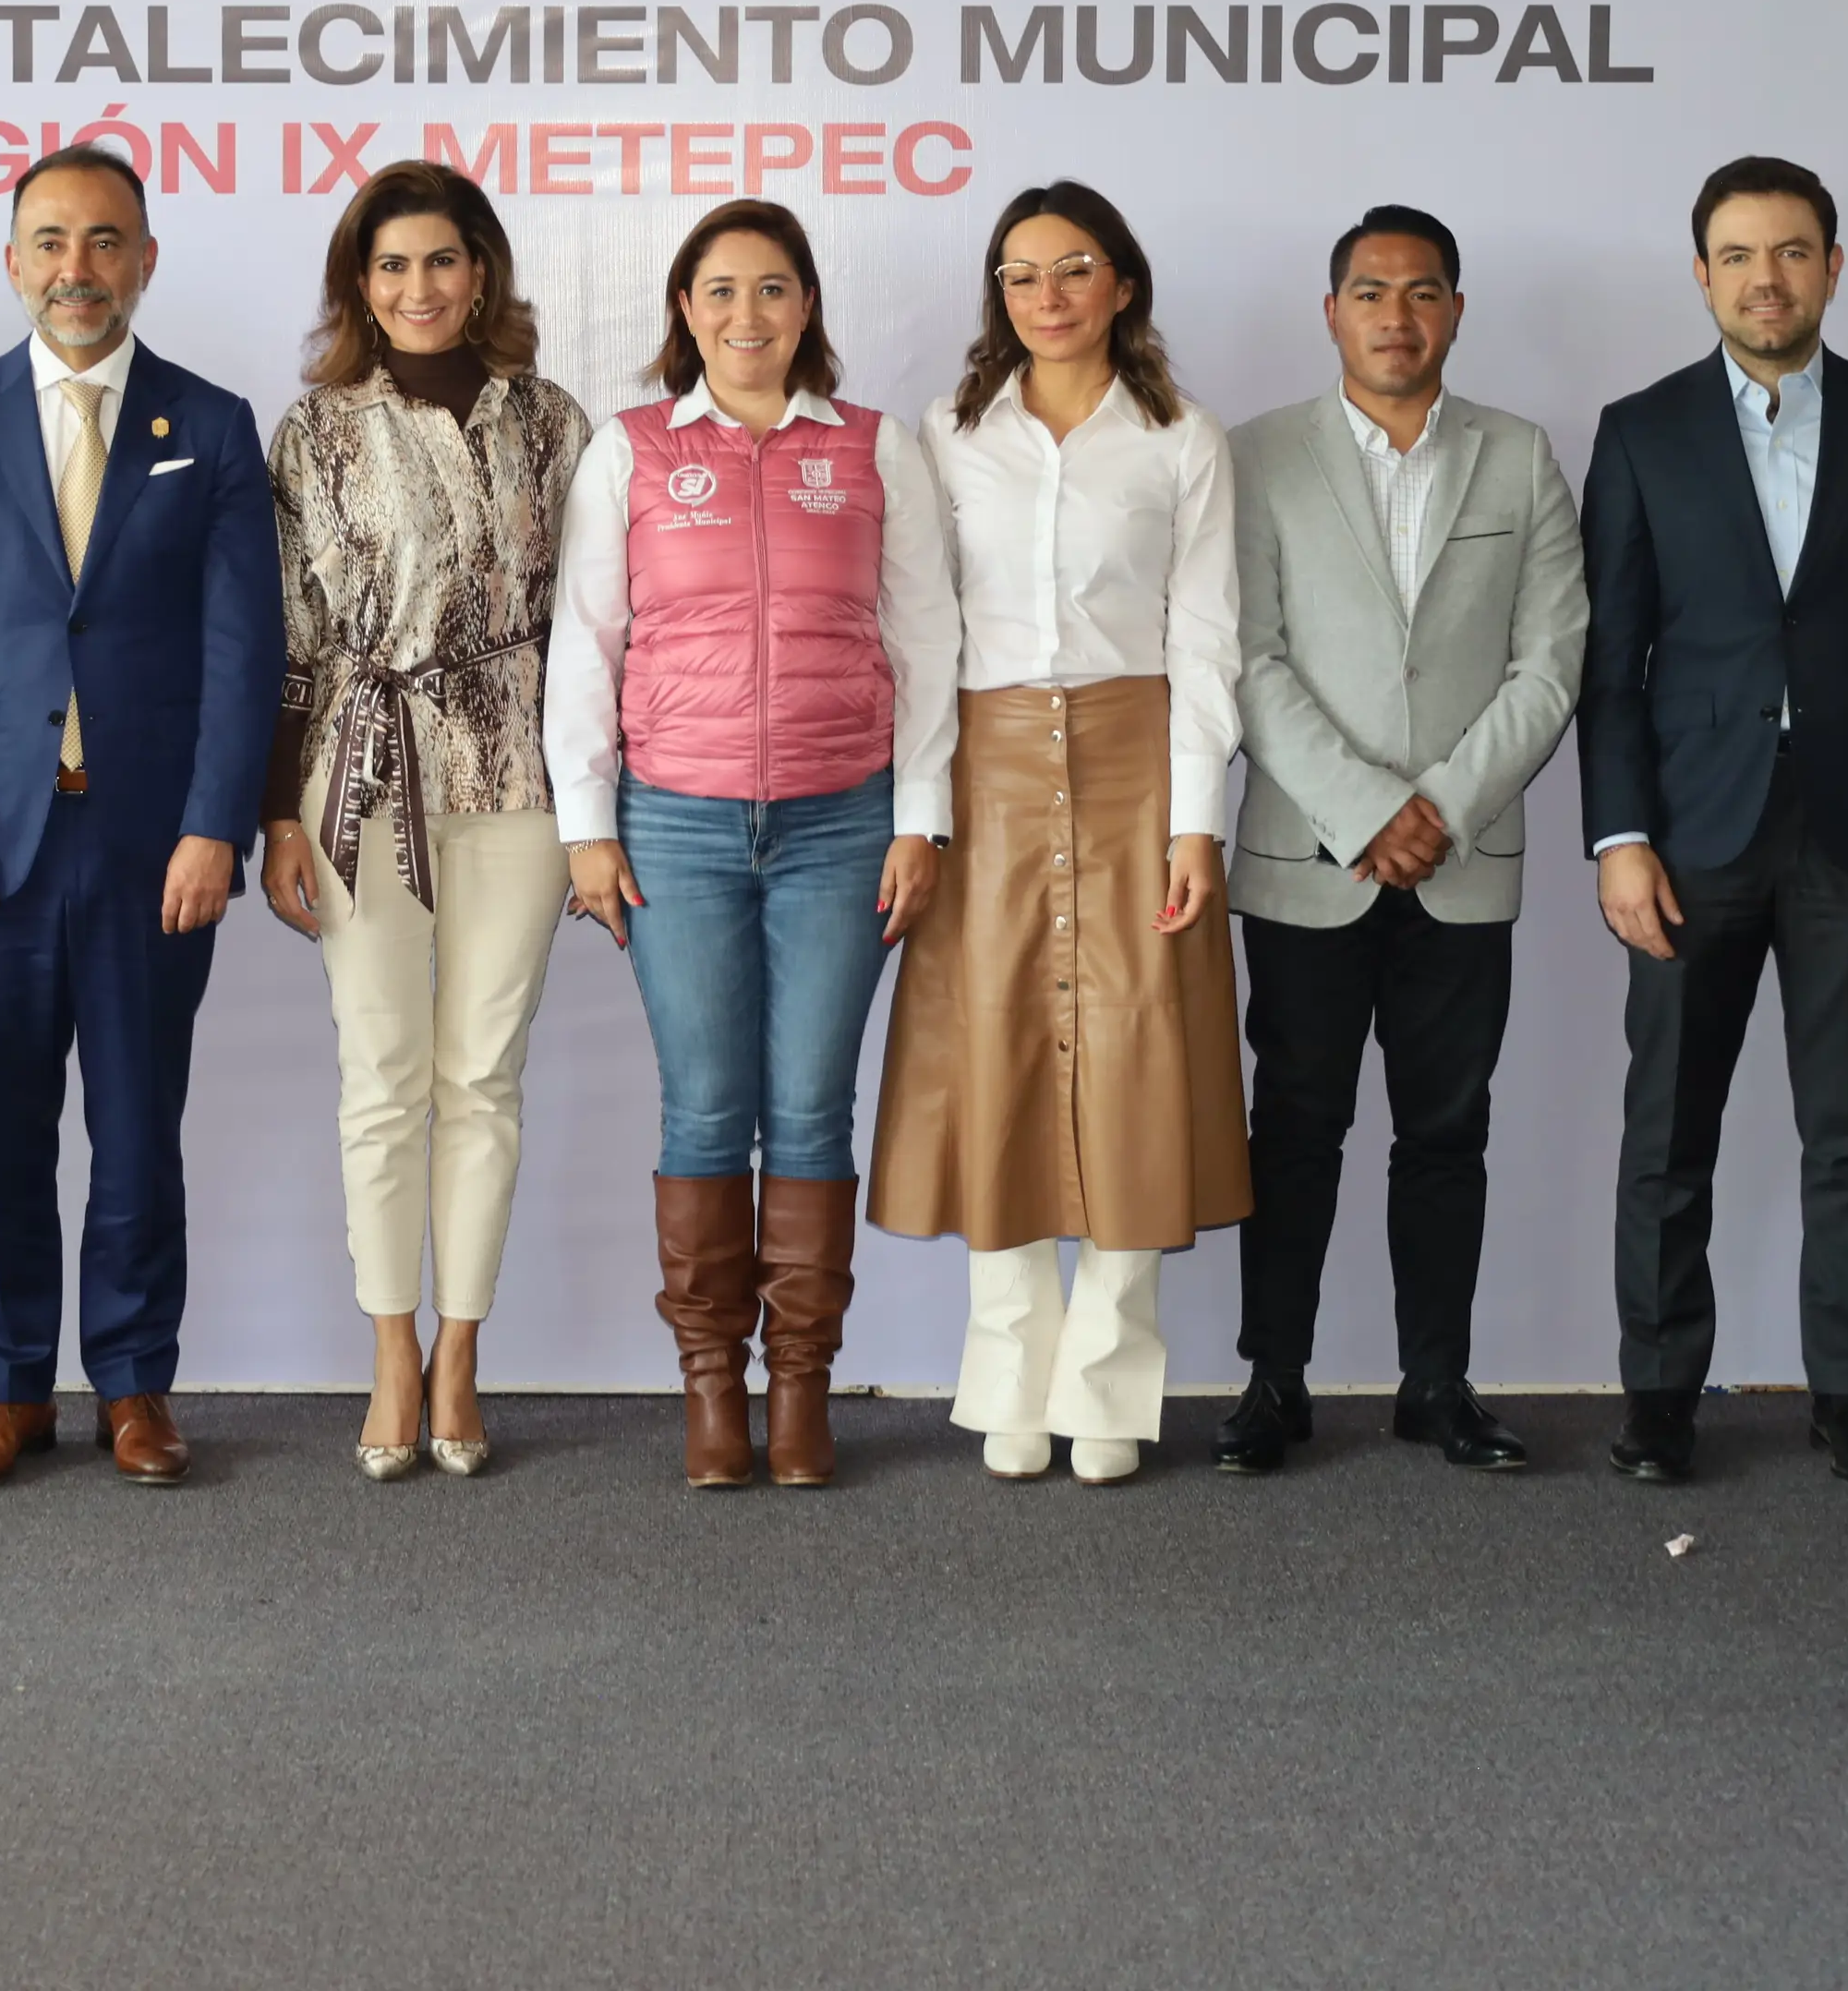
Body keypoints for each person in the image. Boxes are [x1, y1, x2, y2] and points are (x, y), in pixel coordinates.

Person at [0, 145, 284, 1491]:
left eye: (105, 242)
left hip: (152, 847)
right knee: (0, 1133)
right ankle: (5, 1391)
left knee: (137, 1130)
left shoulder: (211, 424)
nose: (77, 269)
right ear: (13, 263)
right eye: (50, 242)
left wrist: (216, 825)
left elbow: (243, 648)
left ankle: (132, 1386)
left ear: (146, 261)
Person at [1581, 154, 1848, 1490]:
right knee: (1667, 1135)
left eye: (1794, 252)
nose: (1769, 279)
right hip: (1689, 835)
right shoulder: (1640, 431)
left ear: (1834, 268)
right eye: (1742, 256)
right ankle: (1658, 1397)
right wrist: (1618, 835)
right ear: (1703, 275)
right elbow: (1612, 663)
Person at [546, 197, 960, 1490]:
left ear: (807, 306)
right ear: (685, 309)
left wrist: (920, 816)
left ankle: (802, 1391)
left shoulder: (877, 448)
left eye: (772, 289)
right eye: (720, 291)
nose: (747, 314)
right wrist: (587, 828)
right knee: (708, 1107)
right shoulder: (630, 452)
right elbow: (585, 645)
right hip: (676, 823)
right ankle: (713, 1390)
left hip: (844, 822)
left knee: (812, 1109)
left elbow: (929, 638)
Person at [868, 181, 1246, 1488]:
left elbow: (1208, 638)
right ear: (999, 295)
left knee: (1141, 1064)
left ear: (1122, 283)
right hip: (988, 768)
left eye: (1075, 268)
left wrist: (1196, 822)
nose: (1049, 296)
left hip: (1139, 763)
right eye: (1022, 275)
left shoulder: (1183, 437)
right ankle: (1010, 1386)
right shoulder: (948, 432)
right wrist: (924, 813)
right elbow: (921, 635)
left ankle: (1108, 1390)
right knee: (999, 1064)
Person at [1219, 204, 1587, 1478]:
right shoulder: (1257, 455)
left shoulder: (1520, 457)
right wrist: (1370, 810)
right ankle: (1274, 1381)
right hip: (1307, 863)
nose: (1396, 316)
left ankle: (1437, 1384)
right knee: (1295, 1128)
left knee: (1446, 1134)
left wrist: (1442, 805)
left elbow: (1552, 663)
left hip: (1461, 865)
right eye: (1371, 294)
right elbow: (1248, 660)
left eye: (1423, 292)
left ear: (1456, 312)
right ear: (1332, 313)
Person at [260, 164, 588, 1478]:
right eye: (391, 265)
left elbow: (593, 624)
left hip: (521, 780)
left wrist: (601, 801)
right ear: (360, 284)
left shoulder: (552, 421)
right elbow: (292, 632)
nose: (418, 288)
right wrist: (278, 816)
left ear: (482, 270)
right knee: (382, 1075)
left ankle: (462, 1350)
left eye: (442, 260)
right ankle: (391, 1349)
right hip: (361, 776)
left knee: (483, 1077)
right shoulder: (316, 430)